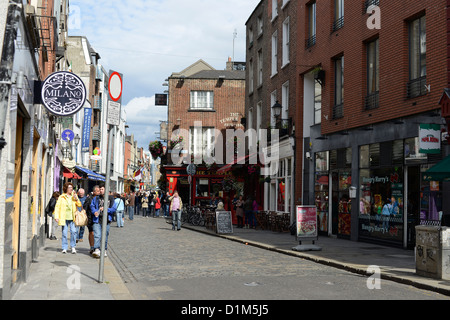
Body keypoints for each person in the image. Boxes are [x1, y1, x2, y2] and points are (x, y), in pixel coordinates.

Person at [53, 182, 82, 254]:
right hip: (64, 217)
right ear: (66, 188)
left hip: (72, 217)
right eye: (69, 188)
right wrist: (56, 217)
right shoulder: (61, 197)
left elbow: (79, 205)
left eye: (72, 188)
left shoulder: (74, 196)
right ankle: (64, 247)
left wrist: (76, 199)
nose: (71, 189)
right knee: (64, 233)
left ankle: (73, 247)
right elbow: (57, 207)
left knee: (73, 232)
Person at [90, 185, 117, 258]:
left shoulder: (110, 198)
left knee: (105, 236)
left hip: (107, 220)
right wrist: (94, 211)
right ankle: (97, 249)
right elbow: (92, 206)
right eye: (100, 189)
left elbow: (114, 208)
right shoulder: (96, 198)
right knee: (97, 235)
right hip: (97, 219)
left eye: (102, 189)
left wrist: (106, 209)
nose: (101, 191)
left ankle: (104, 250)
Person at [84, 186, 99, 254]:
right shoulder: (89, 198)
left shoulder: (101, 198)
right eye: (98, 191)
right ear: (94, 192)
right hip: (90, 219)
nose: (99, 192)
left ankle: (97, 247)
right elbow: (85, 208)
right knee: (92, 232)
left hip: (98, 218)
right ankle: (92, 247)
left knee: (97, 233)